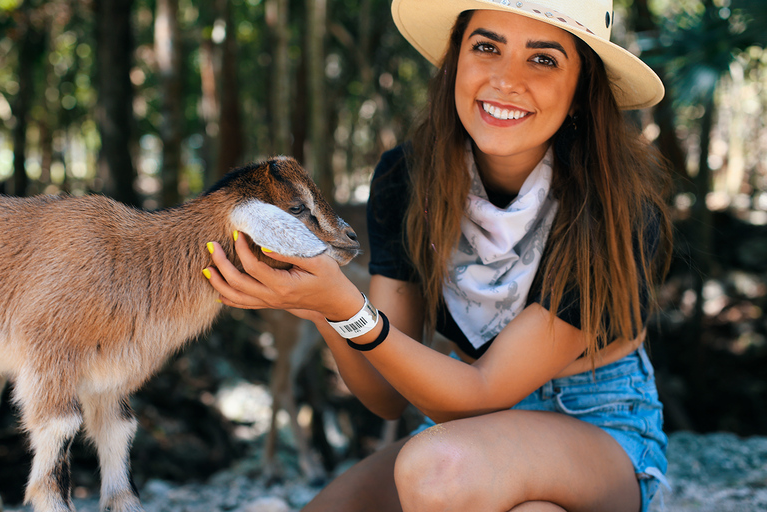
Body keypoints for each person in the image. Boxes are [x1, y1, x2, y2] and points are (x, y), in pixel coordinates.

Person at [204, 0, 674, 510]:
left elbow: (484, 389)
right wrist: (320, 304)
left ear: (581, 90)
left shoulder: (616, 207)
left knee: (437, 471)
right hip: (465, 430)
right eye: (487, 47)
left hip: (593, 423)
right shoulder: (407, 179)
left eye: (543, 59)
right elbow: (386, 395)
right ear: (455, 61)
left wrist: (347, 305)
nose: (506, 79)